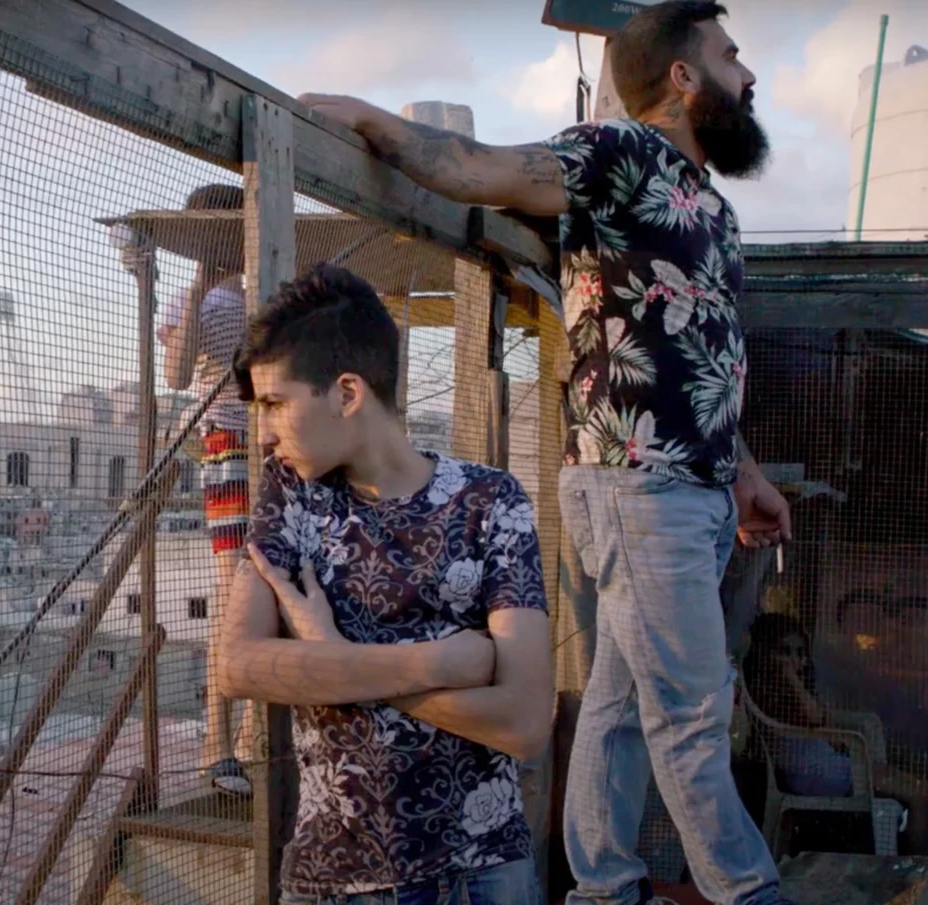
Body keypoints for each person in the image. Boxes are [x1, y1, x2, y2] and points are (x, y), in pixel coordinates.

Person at [298, 3, 795, 904]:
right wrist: (373, 119)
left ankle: (601, 885)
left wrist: (746, 474)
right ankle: (747, 890)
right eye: (730, 56)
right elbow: (482, 169)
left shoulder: (710, 210)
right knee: (690, 710)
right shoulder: (618, 153)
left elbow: (699, 361)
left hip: (694, 489)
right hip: (636, 485)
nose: (748, 73)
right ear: (682, 77)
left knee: (619, 704)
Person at [219, 263, 551, 905]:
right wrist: (439, 663)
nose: (263, 433)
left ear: (347, 393)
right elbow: (238, 665)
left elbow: (525, 721)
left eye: (275, 403)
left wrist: (331, 653)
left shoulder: (490, 501)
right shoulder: (292, 493)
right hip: (333, 879)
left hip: (482, 875)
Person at [157, 182, 254, 795]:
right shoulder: (194, 298)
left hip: (274, 447)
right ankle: (218, 742)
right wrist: (198, 282)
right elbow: (174, 372)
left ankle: (245, 739)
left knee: (266, 582)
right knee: (234, 587)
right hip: (228, 445)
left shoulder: (265, 290)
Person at [743, 613, 928, 849]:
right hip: (817, 774)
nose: (794, 660)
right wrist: (790, 675)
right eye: (784, 652)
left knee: (919, 789)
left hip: (830, 764)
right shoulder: (765, 689)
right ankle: (915, 860)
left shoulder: (787, 689)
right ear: (767, 654)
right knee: (918, 795)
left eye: (799, 653)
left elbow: (822, 720)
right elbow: (815, 717)